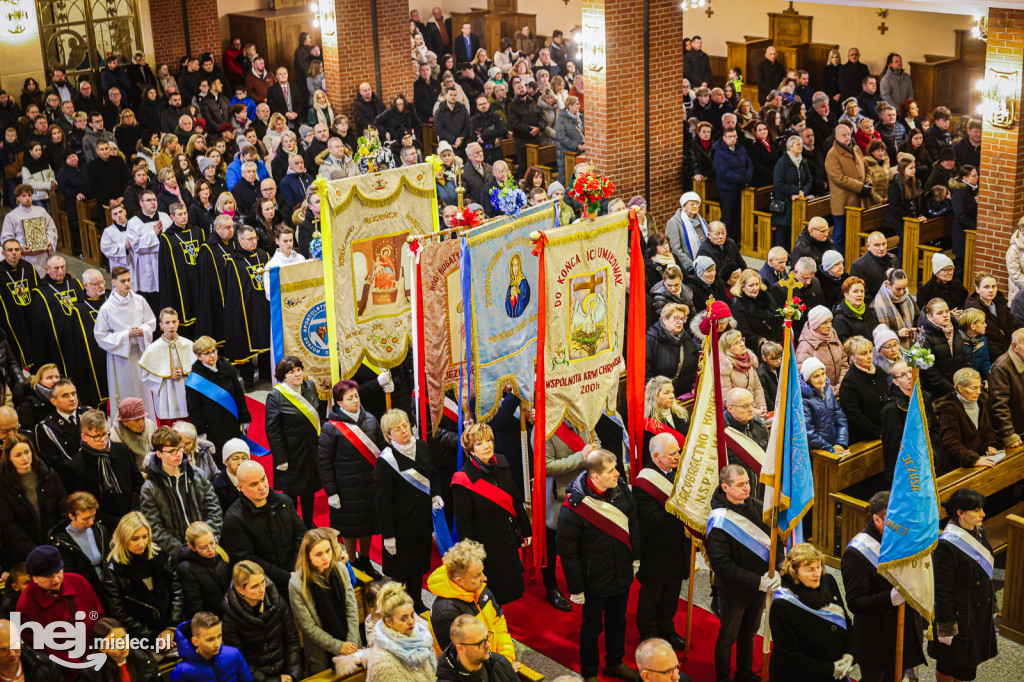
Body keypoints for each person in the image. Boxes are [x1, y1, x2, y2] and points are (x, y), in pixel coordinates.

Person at [557, 449, 640, 682]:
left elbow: (632, 524)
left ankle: (615, 662)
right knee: (591, 628)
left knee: (618, 620)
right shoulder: (573, 507)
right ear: (594, 476)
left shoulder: (620, 489)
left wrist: (636, 557)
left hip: (621, 571)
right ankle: (590, 672)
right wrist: (576, 588)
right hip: (594, 579)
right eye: (611, 470)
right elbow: (568, 552)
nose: (617, 474)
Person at [707, 464, 779, 682]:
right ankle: (723, 678)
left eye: (747, 483)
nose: (747, 488)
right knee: (729, 637)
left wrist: (777, 570)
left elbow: (778, 540)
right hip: (734, 590)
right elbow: (722, 565)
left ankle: (744, 672)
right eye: (740, 485)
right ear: (725, 487)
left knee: (750, 632)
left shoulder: (757, 506)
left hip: (759, 585)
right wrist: (758, 581)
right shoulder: (719, 520)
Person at [453, 423, 530, 605]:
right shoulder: (463, 480)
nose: (487, 446)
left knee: (510, 590)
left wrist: (526, 530)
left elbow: (515, 498)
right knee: (493, 595)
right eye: (479, 444)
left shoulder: (501, 462)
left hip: (508, 539)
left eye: (488, 440)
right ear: (470, 450)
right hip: (486, 546)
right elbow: (464, 523)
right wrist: (472, 557)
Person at [930, 488, 997, 682]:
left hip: (977, 611)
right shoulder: (947, 544)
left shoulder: (979, 531)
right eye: (976, 510)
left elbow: (985, 572)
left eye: (981, 509)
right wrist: (946, 627)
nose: (982, 514)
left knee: (968, 667)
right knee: (950, 664)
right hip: (959, 616)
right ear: (959, 513)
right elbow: (941, 590)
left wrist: (992, 603)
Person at [374, 408, 438, 610]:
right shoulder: (385, 462)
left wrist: (436, 494)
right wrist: (388, 535)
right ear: (388, 435)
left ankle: (417, 601)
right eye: (397, 429)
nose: (404, 431)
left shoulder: (423, 447)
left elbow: (433, 475)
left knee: (418, 566)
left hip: (421, 523)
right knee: (401, 571)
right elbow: (382, 502)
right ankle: (400, 606)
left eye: (405, 426)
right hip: (400, 527)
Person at [318, 379, 382, 577]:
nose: (355, 401)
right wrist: (331, 492)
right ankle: (352, 561)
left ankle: (365, 559)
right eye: (349, 398)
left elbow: (381, 450)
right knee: (350, 527)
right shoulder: (331, 428)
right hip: (346, 488)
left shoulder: (370, 419)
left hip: (369, 484)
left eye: (357, 396)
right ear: (339, 403)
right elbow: (324, 462)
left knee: (367, 524)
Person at [634, 433, 689, 649]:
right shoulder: (644, 483)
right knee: (652, 596)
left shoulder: (677, 472)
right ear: (656, 456)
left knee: (671, 595)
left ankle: (667, 629)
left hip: (676, 548)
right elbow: (654, 521)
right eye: (672, 453)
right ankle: (647, 634)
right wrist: (682, 507)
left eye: (677, 451)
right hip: (654, 552)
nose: (678, 456)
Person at [769, 543, 853, 682]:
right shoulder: (782, 604)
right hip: (800, 676)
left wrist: (849, 653)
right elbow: (790, 656)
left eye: (818, 567)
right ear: (794, 572)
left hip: (835, 672)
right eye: (809, 570)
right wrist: (829, 669)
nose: (816, 574)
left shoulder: (829, 582)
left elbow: (846, 622)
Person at [427, 537, 517, 663]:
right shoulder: (445, 613)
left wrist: (506, 656)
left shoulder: (479, 589)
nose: (484, 578)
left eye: (482, 572)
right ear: (459, 580)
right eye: (477, 575)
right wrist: (500, 667)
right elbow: (465, 658)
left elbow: (498, 621)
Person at [102, 511, 182, 650]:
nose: (141, 543)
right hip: (140, 640)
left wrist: (171, 628)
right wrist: (154, 637)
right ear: (123, 538)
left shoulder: (161, 557)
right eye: (135, 538)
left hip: (172, 632)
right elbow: (118, 613)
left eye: (145, 537)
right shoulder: (113, 571)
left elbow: (178, 592)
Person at [18, 545, 104, 673]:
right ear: (34, 577)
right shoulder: (25, 606)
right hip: (66, 673)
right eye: (48, 576)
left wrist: (102, 644)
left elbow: (98, 615)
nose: (56, 579)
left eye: (58, 571)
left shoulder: (79, 582)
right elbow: (40, 649)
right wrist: (78, 666)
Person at [222, 460, 306, 591]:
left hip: (297, 572)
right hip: (266, 586)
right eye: (254, 484)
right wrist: (285, 576)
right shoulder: (234, 519)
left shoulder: (284, 501)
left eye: (263, 479)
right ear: (240, 487)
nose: (262, 487)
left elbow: (301, 534)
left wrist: (294, 568)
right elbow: (248, 559)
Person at [139, 426, 221, 556]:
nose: (178, 454)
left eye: (180, 448)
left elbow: (214, 510)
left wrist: (207, 542)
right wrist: (184, 551)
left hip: (209, 547)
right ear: (159, 454)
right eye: (172, 451)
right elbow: (155, 528)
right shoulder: (150, 489)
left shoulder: (197, 475)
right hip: (178, 556)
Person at [288, 527, 360, 675]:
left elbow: (351, 608)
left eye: (328, 551)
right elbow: (308, 627)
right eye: (318, 554)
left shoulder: (341, 569)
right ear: (308, 556)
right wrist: (339, 646)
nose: (326, 558)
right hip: (321, 652)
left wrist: (351, 643)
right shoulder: (297, 584)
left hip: (351, 643)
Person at [221, 559, 303, 682]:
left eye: (263, 582)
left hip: (286, 672)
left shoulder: (277, 601)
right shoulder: (231, 619)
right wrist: (273, 680)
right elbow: (240, 661)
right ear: (240, 590)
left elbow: (291, 638)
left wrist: (292, 672)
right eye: (254, 586)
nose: (262, 589)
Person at [93, 266, 156, 417]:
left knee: (144, 392)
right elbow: (100, 336)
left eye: (129, 280)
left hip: (140, 353)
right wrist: (125, 335)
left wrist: (143, 331)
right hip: (121, 357)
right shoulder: (107, 308)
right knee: (125, 392)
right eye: (123, 281)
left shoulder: (139, 300)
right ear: (113, 282)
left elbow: (151, 322)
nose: (127, 284)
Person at [265, 356, 321, 526]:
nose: (297, 374)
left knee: (309, 488)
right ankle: (293, 524)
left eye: (299, 370)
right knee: (291, 492)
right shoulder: (276, 396)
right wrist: (281, 459)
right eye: (291, 372)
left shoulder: (309, 386)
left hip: (310, 448)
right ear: (283, 376)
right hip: (291, 452)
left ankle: (309, 521)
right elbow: (272, 430)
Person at [66, 409, 142, 529]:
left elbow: (137, 484)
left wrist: (133, 514)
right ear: (84, 437)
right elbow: (85, 504)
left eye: (105, 433)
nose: (103, 439)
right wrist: (117, 523)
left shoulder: (122, 450)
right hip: (104, 525)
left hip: (133, 517)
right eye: (97, 436)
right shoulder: (77, 465)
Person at [0, 433, 66, 565]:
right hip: (22, 554)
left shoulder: (48, 474)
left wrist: (54, 542)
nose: (25, 458)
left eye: (27, 452)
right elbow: (9, 525)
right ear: (9, 458)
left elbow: (63, 509)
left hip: (54, 546)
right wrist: (34, 551)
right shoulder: (3, 483)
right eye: (18, 455)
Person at [185, 336, 249, 460]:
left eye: (214, 351)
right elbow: (194, 408)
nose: (212, 355)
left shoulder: (227, 367)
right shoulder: (195, 380)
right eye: (207, 353)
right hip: (213, 428)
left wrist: (243, 417)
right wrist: (201, 431)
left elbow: (238, 394)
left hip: (232, 421)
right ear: (199, 356)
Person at [366, 581, 437, 682]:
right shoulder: (384, 663)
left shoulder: (421, 637)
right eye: (403, 619)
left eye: (412, 615)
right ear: (389, 622)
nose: (411, 622)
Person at [48, 491, 108, 592]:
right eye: (86, 518)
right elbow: (70, 576)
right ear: (71, 516)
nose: (91, 522)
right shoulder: (61, 543)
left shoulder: (100, 530)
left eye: (93, 516)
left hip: (107, 589)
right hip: (84, 591)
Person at [824, 123, 870, 255]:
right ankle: (839, 260)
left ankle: (852, 258)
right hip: (843, 201)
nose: (847, 137)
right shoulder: (832, 154)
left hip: (858, 199)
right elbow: (839, 178)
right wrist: (861, 187)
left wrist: (867, 181)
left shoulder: (856, 149)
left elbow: (866, 167)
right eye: (844, 135)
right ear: (836, 136)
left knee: (855, 232)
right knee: (840, 234)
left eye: (849, 134)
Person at [171, 612, 254, 682]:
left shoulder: (234, 654)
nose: (217, 644)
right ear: (195, 641)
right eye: (210, 640)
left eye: (219, 636)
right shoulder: (182, 672)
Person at [157, 204, 202, 330]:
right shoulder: (167, 237)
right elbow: (165, 267)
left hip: (197, 278)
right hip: (180, 282)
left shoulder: (197, 232)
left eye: (185, 213)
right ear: (172, 217)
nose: (183, 217)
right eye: (180, 214)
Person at [125, 190, 171, 313]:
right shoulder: (134, 222)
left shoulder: (164, 217)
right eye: (149, 200)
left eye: (154, 199)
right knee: (151, 301)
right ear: (141, 203)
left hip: (164, 261)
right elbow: (137, 246)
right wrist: (154, 234)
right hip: (147, 265)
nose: (153, 202)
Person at [436, 614, 519, 682]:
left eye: (487, 638)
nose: (488, 645)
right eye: (480, 643)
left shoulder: (499, 661)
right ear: (460, 648)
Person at [175, 520, 232, 617]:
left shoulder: (221, 553)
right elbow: (195, 604)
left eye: (212, 542)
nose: (210, 549)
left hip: (230, 613)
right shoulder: (186, 568)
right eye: (203, 547)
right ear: (193, 548)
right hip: (212, 619)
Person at [839, 336, 888, 443]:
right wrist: (878, 431)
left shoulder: (879, 371)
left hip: (886, 428)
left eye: (870, 352)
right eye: (863, 354)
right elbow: (854, 415)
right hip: (865, 436)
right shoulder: (849, 382)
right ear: (852, 357)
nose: (870, 356)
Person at [1, 185, 58, 275]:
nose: (27, 198)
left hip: (42, 255)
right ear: (18, 198)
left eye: (29, 195)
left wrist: (49, 240)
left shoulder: (41, 211)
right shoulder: (11, 216)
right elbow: (6, 237)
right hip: (25, 256)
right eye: (24, 196)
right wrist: (19, 247)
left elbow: (51, 228)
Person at [0, 239, 39, 369]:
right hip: (11, 321)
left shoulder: (29, 269)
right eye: (10, 250)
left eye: (16, 250)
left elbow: (38, 293)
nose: (14, 253)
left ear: (21, 252)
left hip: (30, 316)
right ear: (3, 253)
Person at [89, 617, 162, 682]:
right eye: (114, 644)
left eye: (123, 638)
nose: (122, 646)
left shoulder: (145, 658)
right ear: (102, 649)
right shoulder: (93, 674)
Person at [771, 135, 813, 247]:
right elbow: (779, 184)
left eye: (801, 144)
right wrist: (796, 191)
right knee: (783, 228)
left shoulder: (803, 161)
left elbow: (809, 179)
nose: (801, 147)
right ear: (790, 147)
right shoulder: (782, 162)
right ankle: (781, 251)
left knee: (794, 228)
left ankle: (792, 253)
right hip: (784, 201)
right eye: (798, 144)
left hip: (799, 200)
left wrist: (803, 191)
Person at [800, 358, 849, 454]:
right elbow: (808, 433)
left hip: (835, 445)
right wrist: (830, 449)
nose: (822, 379)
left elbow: (839, 416)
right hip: (818, 451)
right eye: (816, 376)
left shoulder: (827, 389)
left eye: (823, 373)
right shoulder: (803, 399)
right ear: (808, 379)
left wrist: (840, 443)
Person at [712, 129, 752, 243]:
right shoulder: (719, 153)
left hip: (741, 188)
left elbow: (749, 164)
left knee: (738, 216)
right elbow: (723, 172)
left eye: (734, 136)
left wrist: (748, 178)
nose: (733, 139)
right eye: (730, 136)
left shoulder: (741, 148)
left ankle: (737, 241)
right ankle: (726, 242)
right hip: (727, 190)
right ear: (724, 138)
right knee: (727, 218)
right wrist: (742, 179)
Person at [988, 328, 1024, 449]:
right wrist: (1008, 433)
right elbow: (999, 404)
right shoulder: (1001, 367)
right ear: (1014, 346)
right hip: (1018, 429)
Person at [965, 272, 1014, 359]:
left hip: (1010, 349)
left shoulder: (1001, 302)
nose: (991, 290)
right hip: (990, 355)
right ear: (977, 289)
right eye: (986, 287)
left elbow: (1012, 327)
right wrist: (1004, 356)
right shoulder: (973, 309)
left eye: (993, 286)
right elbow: (984, 339)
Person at [796, 305, 846, 390]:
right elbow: (805, 377)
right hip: (820, 395)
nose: (829, 325)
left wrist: (840, 385)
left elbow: (844, 363)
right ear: (815, 324)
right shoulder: (805, 347)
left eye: (830, 321)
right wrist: (829, 390)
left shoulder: (834, 337)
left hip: (841, 390)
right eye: (824, 322)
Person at [665, 191, 708, 273]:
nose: (695, 206)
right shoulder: (674, 223)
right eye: (692, 204)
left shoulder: (701, 220)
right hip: (689, 268)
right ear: (684, 206)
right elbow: (675, 249)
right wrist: (691, 266)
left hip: (705, 264)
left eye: (697, 204)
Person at [873, 269, 918, 347]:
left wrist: (915, 329)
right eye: (898, 289)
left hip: (910, 346)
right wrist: (897, 333)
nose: (902, 292)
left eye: (904, 288)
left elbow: (917, 319)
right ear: (888, 285)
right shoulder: (877, 304)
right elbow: (876, 332)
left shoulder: (909, 299)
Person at [950, 165, 978, 269]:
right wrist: (975, 227)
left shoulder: (972, 190)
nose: (977, 177)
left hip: (970, 232)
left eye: (977, 175)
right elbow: (960, 215)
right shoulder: (959, 192)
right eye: (974, 176)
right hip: (962, 234)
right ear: (965, 178)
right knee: (960, 265)